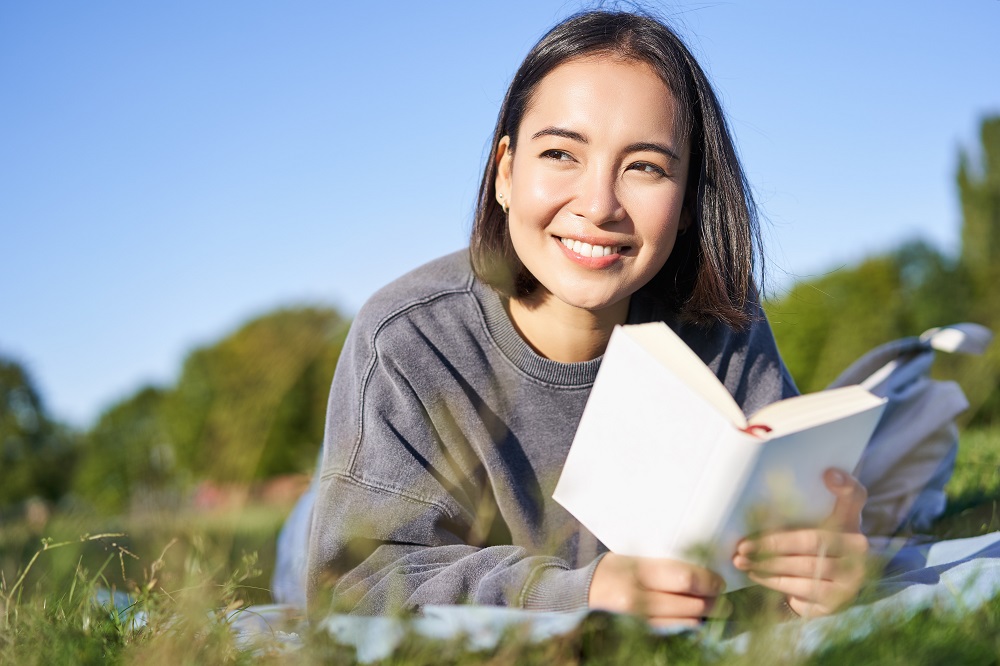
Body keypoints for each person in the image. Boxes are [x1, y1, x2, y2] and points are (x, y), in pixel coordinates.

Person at [305, 9, 869, 625]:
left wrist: (816, 571)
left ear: (686, 202)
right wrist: (583, 589)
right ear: (506, 172)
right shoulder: (407, 337)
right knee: (304, 531)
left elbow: (778, 549)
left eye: (645, 167)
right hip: (354, 511)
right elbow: (350, 583)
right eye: (560, 154)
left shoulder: (722, 323)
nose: (599, 206)